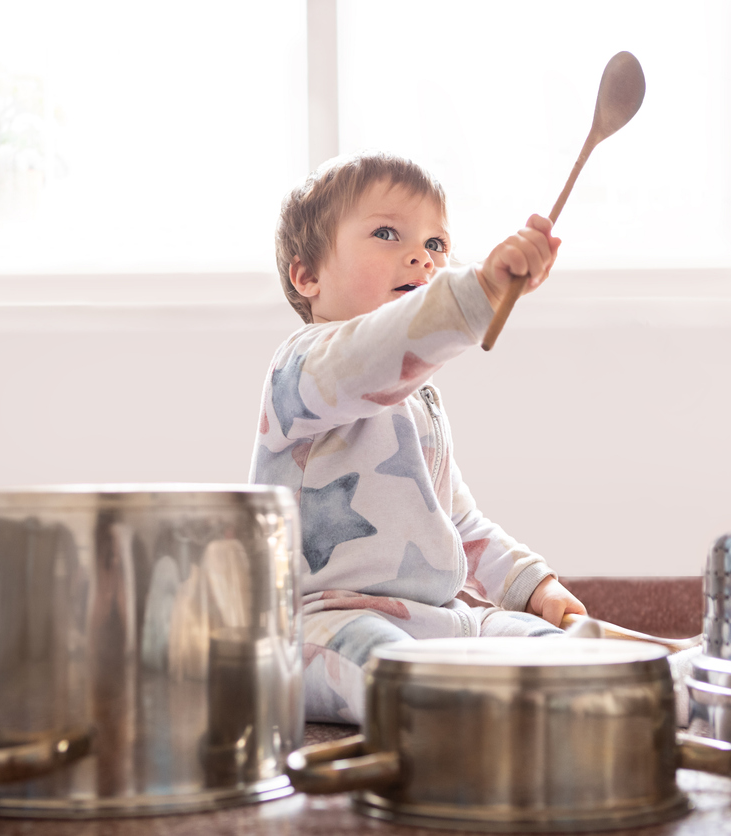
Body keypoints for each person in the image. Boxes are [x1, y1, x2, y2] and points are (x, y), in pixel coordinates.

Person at [250, 152, 587, 724]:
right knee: (391, 669)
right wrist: (475, 292)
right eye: (387, 233)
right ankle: (454, 718)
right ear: (306, 275)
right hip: (323, 623)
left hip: (438, 616)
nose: (422, 258)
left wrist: (535, 589)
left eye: (437, 245)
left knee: (557, 651)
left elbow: (460, 524)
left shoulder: (416, 398)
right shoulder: (302, 369)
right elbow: (376, 351)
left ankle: (662, 693)